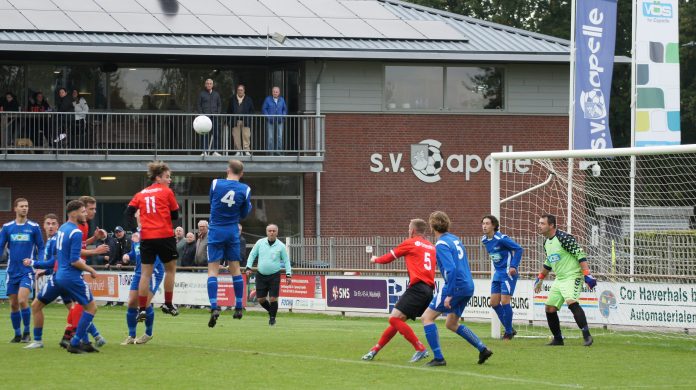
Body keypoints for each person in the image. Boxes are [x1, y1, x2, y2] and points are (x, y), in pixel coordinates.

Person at [421, 211, 493, 366]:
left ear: (432, 226)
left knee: (427, 317)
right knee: (451, 323)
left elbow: (451, 269)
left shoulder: (441, 244)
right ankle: (482, 349)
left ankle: (439, 358)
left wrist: (449, 294)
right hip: (468, 285)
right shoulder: (455, 239)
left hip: (456, 286)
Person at [362, 219, 434, 363]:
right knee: (397, 321)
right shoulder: (431, 246)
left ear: (412, 230)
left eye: (409, 228)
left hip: (418, 287)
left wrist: (375, 259)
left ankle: (420, 348)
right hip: (429, 289)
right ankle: (374, 351)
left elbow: (388, 258)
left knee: (394, 319)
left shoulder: (410, 242)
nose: (408, 231)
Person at [125, 161, 180, 321]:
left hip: (147, 237)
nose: (169, 180)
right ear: (158, 177)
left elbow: (128, 213)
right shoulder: (167, 192)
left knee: (145, 274)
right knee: (170, 270)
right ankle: (168, 303)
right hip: (164, 235)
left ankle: (142, 308)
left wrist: (135, 231)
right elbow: (175, 215)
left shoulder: (140, 193)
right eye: (167, 177)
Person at [534, 214, 596, 346]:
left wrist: (587, 274)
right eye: (539, 223)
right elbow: (549, 261)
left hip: (573, 276)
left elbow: (579, 254)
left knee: (571, 301)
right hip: (560, 278)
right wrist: (540, 278)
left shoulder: (564, 238)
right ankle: (558, 339)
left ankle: (587, 336)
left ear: (551, 225)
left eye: (542, 223)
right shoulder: (546, 242)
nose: (539, 226)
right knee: (549, 308)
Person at [206, 159, 252, 327]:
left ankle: (214, 306)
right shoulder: (245, 189)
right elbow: (245, 213)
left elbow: (212, 202)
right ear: (242, 173)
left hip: (216, 229)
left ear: (227, 170)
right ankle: (239, 305)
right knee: (235, 269)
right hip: (232, 231)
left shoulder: (216, 183)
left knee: (213, 270)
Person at [60, 195, 109, 349]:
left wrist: (94, 238)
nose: (91, 212)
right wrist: (96, 251)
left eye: (94, 209)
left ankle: (74, 336)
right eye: (89, 209)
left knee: (79, 305)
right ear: (80, 209)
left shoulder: (83, 224)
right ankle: (76, 338)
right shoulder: (76, 226)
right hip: (70, 269)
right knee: (83, 305)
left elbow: (80, 245)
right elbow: (76, 253)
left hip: (70, 270)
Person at [23, 213, 72, 349]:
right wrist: (45, 272)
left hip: (59, 280)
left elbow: (53, 262)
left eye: (53, 224)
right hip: (63, 277)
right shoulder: (51, 240)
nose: (50, 226)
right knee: (75, 310)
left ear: (58, 226)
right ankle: (95, 336)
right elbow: (56, 264)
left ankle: (38, 340)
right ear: (43, 226)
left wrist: (33, 263)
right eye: (48, 224)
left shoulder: (56, 240)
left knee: (35, 306)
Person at [0, 198, 44, 343]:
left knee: (22, 300)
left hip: (27, 271)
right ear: (15, 208)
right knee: (13, 304)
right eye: (22, 206)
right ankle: (17, 334)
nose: (25, 208)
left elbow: (41, 247)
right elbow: (1, 246)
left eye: (26, 206)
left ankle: (26, 332)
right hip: (12, 271)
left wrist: (40, 264)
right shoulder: (7, 227)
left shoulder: (34, 226)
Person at [481, 214, 523, 340]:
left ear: (493, 225)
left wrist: (513, 266)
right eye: (483, 223)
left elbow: (519, 249)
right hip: (497, 274)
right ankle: (510, 329)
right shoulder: (484, 240)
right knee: (494, 303)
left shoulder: (502, 238)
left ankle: (508, 332)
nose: (484, 226)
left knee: (505, 301)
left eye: (487, 223)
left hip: (507, 274)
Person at [121, 230, 164, 345]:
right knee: (131, 303)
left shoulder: (153, 234)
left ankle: (148, 334)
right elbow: (136, 253)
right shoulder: (136, 235)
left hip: (153, 273)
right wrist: (127, 256)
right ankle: (131, 335)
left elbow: (156, 256)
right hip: (139, 273)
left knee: (144, 303)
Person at [245, 224, 291, 326]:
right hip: (261, 275)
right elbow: (252, 255)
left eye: (274, 231)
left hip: (274, 275)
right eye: (270, 230)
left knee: (273, 298)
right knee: (260, 299)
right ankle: (271, 311)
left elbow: (286, 261)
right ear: (266, 232)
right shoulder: (260, 243)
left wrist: (288, 274)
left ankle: (272, 318)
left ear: (277, 232)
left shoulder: (281, 246)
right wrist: (248, 267)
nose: (272, 232)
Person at [197, 78, 222, 156]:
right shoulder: (202, 94)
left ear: (212, 85)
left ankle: (215, 151)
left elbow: (219, 105)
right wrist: (201, 114)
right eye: (207, 83)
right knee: (205, 134)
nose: (209, 85)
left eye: (210, 83)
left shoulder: (216, 94)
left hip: (214, 116)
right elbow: (198, 105)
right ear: (205, 85)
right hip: (205, 118)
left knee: (216, 134)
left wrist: (217, 113)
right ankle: (204, 151)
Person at [228, 84, 254, 156]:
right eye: (239, 90)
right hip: (235, 120)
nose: (240, 91)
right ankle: (238, 151)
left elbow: (252, 110)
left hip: (246, 120)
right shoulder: (232, 99)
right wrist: (227, 121)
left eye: (241, 90)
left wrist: (249, 117)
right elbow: (229, 110)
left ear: (244, 91)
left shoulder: (248, 99)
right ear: (237, 91)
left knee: (246, 136)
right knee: (236, 136)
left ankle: (246, 150)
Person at [261, 86, 287, 154]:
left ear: (279, 93)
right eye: (274, 92)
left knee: (280, 137)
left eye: (276, 92)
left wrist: (283, 116)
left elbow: (284, 109)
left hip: (280, 121)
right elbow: (264, 109)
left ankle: (279, 152)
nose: (275, 93)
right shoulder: (267, 99)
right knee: (270, 137)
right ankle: (270, 152)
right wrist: (268, 117)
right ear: (272, 92)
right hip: (270, 121)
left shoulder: (282, 99)